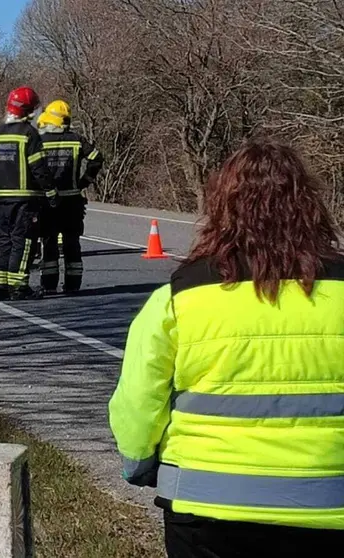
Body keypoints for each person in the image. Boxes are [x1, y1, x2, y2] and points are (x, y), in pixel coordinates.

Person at [108, 140, 344, 558]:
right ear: (310, 207)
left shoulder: (178, 298)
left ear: (222, 210)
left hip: (204, 505)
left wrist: (138, 462)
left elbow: (138, 403)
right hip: (329, 503)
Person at [0, 87, 57, 301]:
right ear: (28, 110)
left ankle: (0, 286)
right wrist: (51, 191)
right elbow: (38, 168)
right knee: (23, 241)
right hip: (26, 198)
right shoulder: (29, 134)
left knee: (4, 241)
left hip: (4, 197)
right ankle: (19, 287)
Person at [36, 100, 103, 295]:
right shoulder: (77, 139)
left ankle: (49, 284)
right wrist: (85, 181)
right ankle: (73, 284)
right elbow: (97, 158)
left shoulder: (40, 141)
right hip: (72, 200)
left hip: (48, 200)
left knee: (48, 243)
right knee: (72, 243)